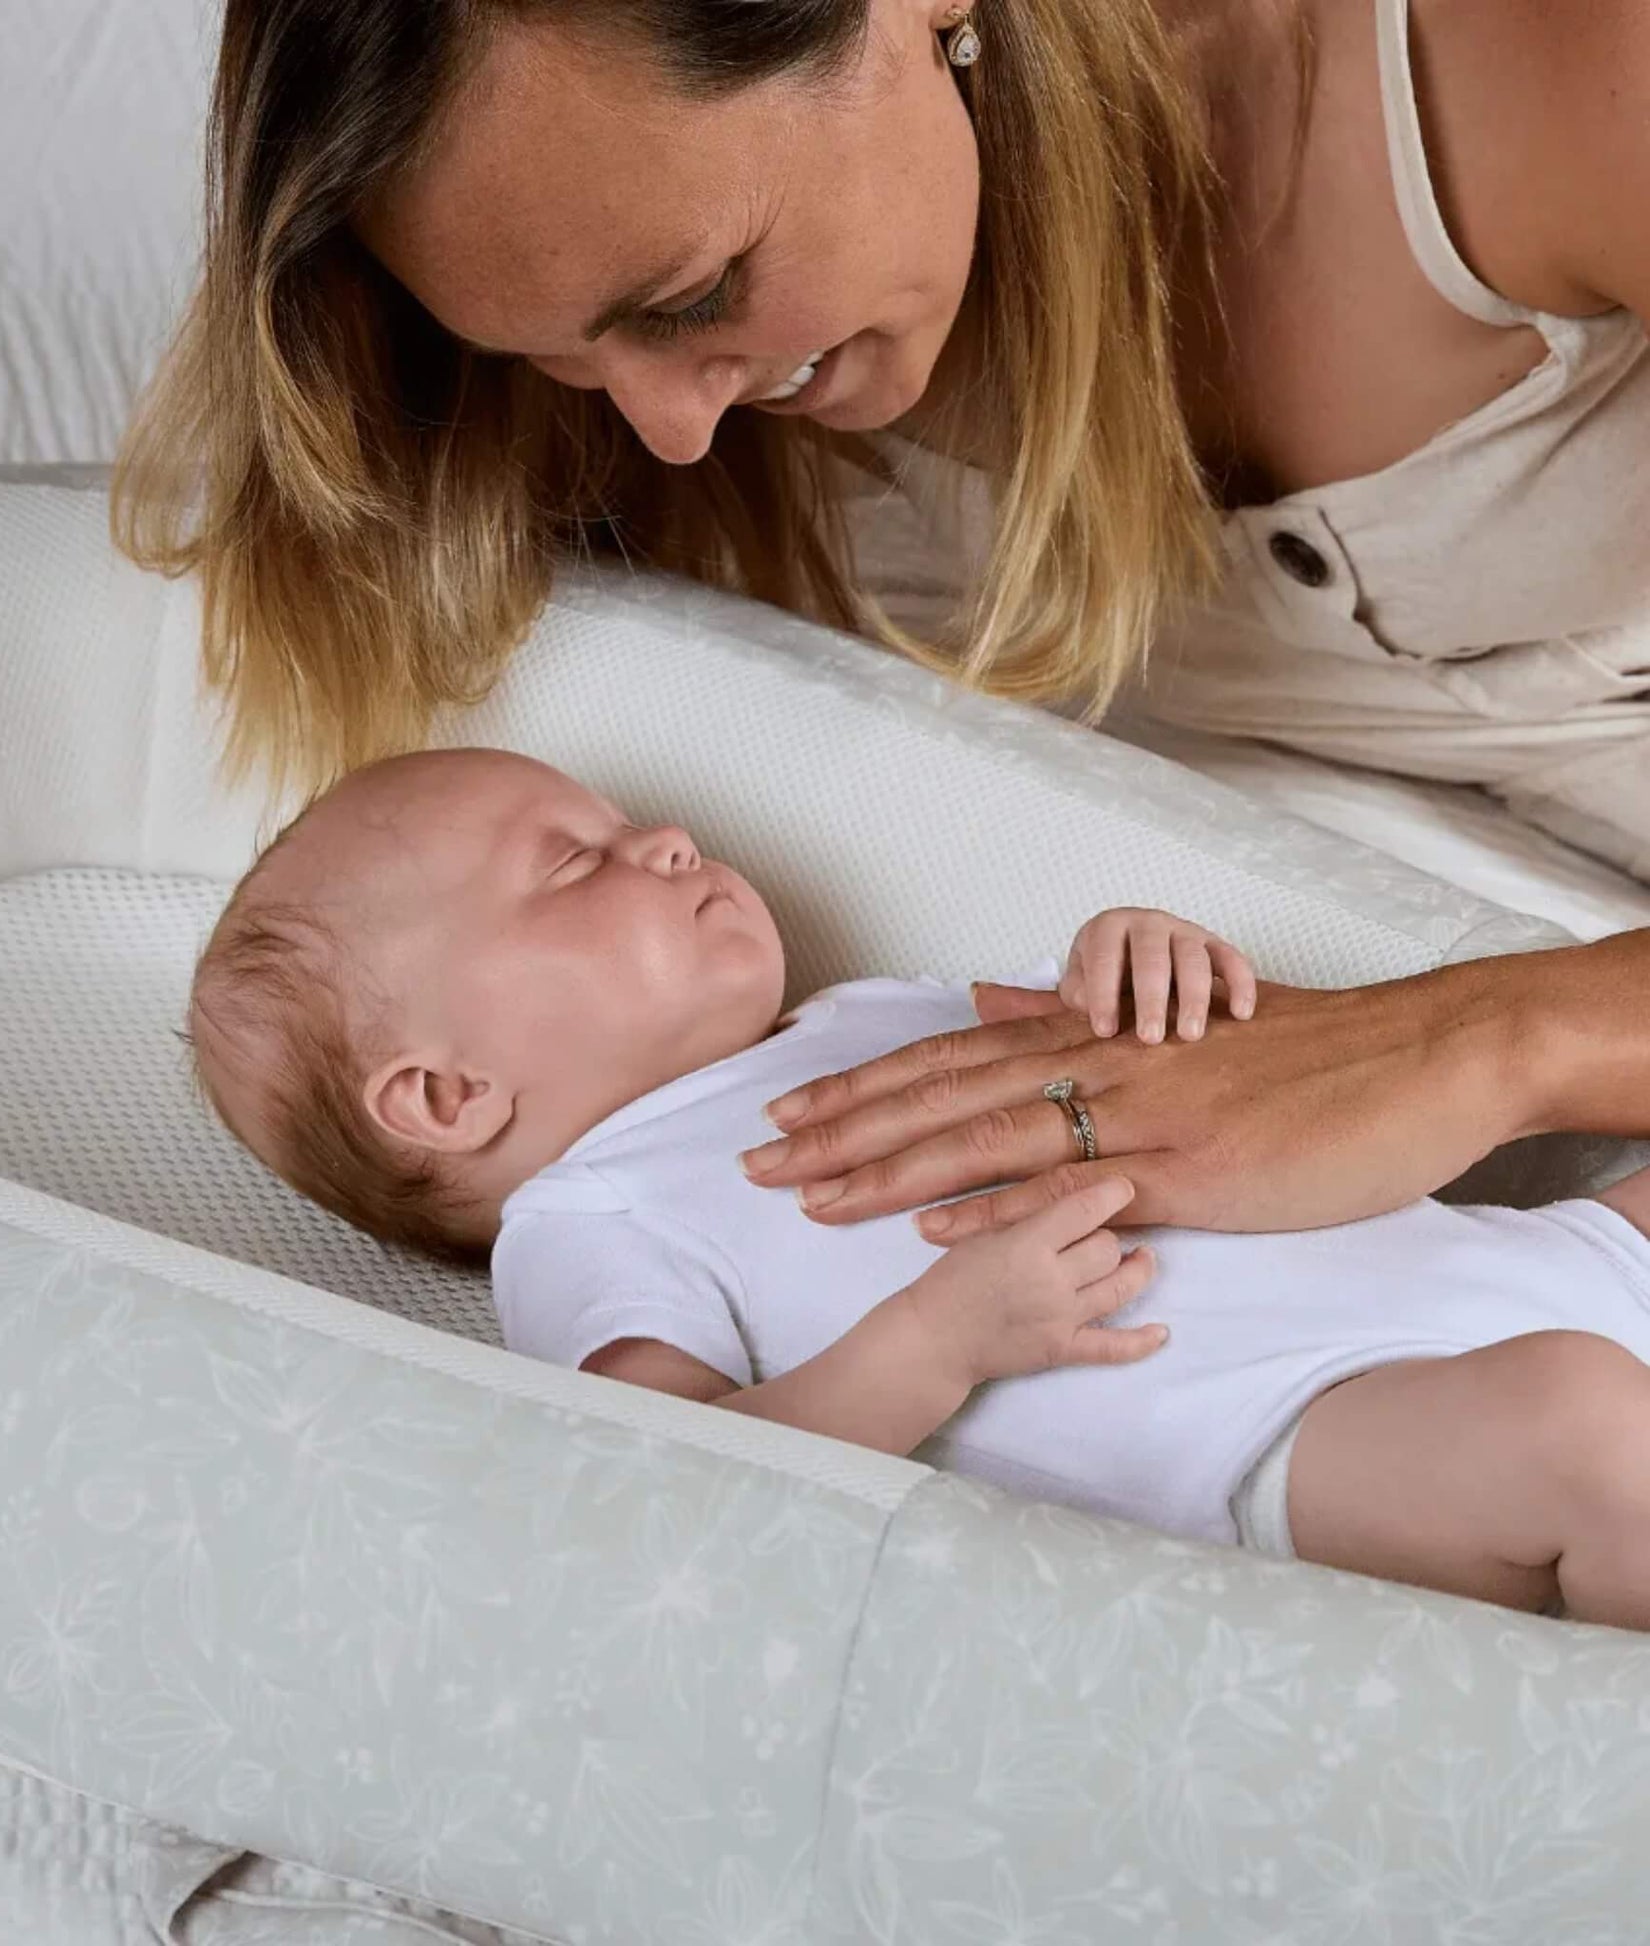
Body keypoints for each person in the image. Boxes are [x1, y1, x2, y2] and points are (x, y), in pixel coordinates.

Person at [118, 0, 1650, 1237]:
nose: (661, 431)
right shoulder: (668, 374)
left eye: (701, 288)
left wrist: (1479, 1042)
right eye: (564, 359)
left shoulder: (1554, 78)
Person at [187, 747, 1650, 1627]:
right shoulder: (594, 1215)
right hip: (1300, 1433)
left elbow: (1204, 1072)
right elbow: (672, 1479)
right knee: (1584, 1426)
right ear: (447, 1095)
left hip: (1508, 1259)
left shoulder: (862, 1013)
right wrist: (935, 1340)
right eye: (573, 863)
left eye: (623, 819)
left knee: (1592, 1368)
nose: (665, 840)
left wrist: (1140, 960)